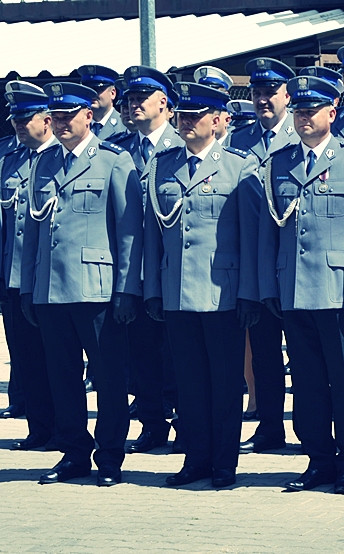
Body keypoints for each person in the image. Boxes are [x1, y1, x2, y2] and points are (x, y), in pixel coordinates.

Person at [259, 75, 344, 494]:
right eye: (299, 111)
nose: (304, 118)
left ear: (332, 112)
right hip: (293, 290)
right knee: (307, 384)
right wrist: (269, 287)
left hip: (339, 291)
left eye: (312, 110)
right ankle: (318, 459)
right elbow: (269, 233)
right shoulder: (280, 161)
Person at [23, 82, 143, 486]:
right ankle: (74, 452)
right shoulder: (43, 162)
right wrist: (28, 287)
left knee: (109, 378)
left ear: (88, 116)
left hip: (97, 288)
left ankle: (109, 456)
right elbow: (35, 230)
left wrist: (126, 289)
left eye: (67, 116)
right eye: (54, 117)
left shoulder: (113, 159)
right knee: (62, 376)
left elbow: (128, 232)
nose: (59, 124)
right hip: (51, 289)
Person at [145, 82, 262, 488]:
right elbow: (152, 236)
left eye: (196, 116)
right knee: (189, 384)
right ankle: (195, 459)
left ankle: (224, 464)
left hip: (222, 293)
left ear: (216, 121)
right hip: (176, 291)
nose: (187, 122)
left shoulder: (239, 166)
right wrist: (153, 290)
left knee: (225, 383)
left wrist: (249, 293)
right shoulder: (163, 166)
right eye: (183, 116)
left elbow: (251, 238)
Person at [227, 57, 297, 455]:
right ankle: (270, 426)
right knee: (266, 352)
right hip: (257, 265)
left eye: (270, 92)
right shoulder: (239, 142)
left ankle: (310, 426)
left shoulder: (305, 133)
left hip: (297, 263)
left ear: (286, 95)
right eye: (256, 93)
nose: (263, 100)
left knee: (305, 356)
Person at [112, 66, 183, 454]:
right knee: (141, 355)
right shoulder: (120, 148)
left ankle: (187, 423)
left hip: (174, 268)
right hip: (134, 269)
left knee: (181, 355)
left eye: (143, 97)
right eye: (130, 98)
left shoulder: (182, 144)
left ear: (165, 104)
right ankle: (152, 423)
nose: (134, 103)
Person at [1, 86, 58, 449]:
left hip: (50, 276)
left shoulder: (59, 156)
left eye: (27, 119)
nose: (20, 126)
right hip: (12, 275)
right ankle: (39, 429)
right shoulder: (7, 156)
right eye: (16, 120)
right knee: (25, 357)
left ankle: (66, 429)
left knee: (58, 359)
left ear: (46, 120)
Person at [77, 65, 124, 140]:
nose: (92, 94)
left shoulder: (125, 125)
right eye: (87, 90)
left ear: (112, 93)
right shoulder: (77, 127)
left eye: (97, 89)